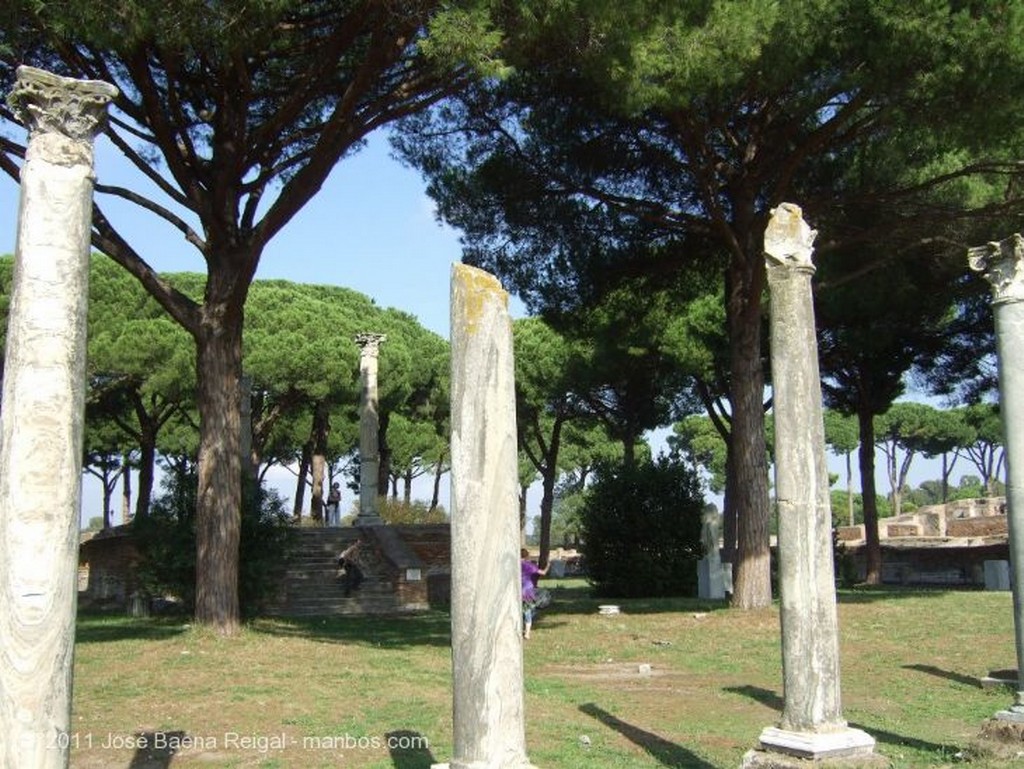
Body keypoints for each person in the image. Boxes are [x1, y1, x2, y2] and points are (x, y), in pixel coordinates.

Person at [520, 548, 548, 640]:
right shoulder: (529, 566)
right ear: (527, 556)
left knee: (523, 610)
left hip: (515, 591)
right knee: (528, 611)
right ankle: (527, 633)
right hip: (526, 591)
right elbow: (543, 573)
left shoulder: (514, 564)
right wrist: (548, 565)